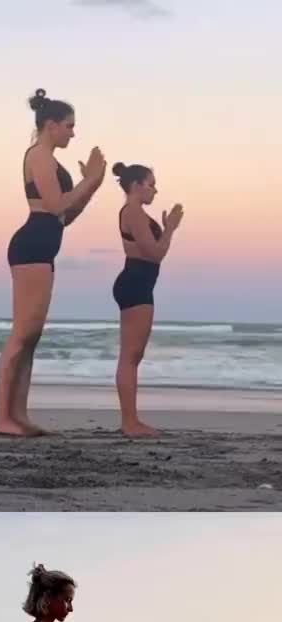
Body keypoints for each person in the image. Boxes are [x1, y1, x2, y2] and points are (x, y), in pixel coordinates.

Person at [0, 89, 107, 437]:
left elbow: (64, 217)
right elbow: (57, 204)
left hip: (44, 245)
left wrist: (93, 185)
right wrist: (88, 180)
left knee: (31, 337)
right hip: (30, 246)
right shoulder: (39, 155)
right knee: (21, 333)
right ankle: (2, 418)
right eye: (69, 126)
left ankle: (19, 416)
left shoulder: (51, 159)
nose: (73, 133)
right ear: (51, 125)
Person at [112, 162, 184, 437]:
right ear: (136, 186)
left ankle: (131, 420)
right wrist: (170, 229)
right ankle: (130, 423)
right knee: (130, 357)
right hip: (136, 283)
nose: (155, 189)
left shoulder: (136, 213)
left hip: (138, 283)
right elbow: (155, 253)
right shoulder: (133, 212)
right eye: (151, 184)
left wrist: (166, 229)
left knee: (133, 356)